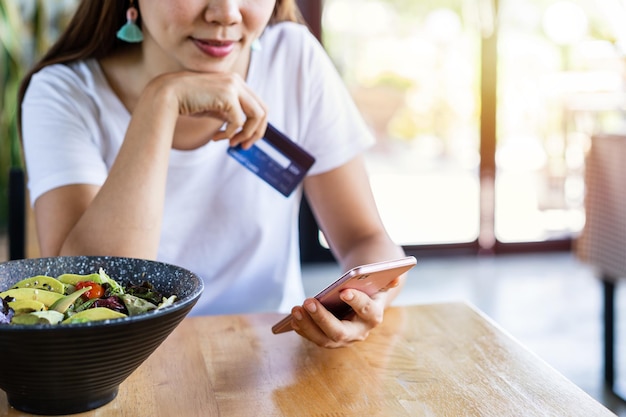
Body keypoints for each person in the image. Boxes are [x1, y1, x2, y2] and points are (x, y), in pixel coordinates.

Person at [18, 0, 407, 348]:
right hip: (129, 363)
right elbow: (88, 293)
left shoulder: (293, 58)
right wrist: (161, 102)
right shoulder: (63, 93)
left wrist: (366, 300)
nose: (226, 13)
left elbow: (366, 238)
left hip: (270, 353)